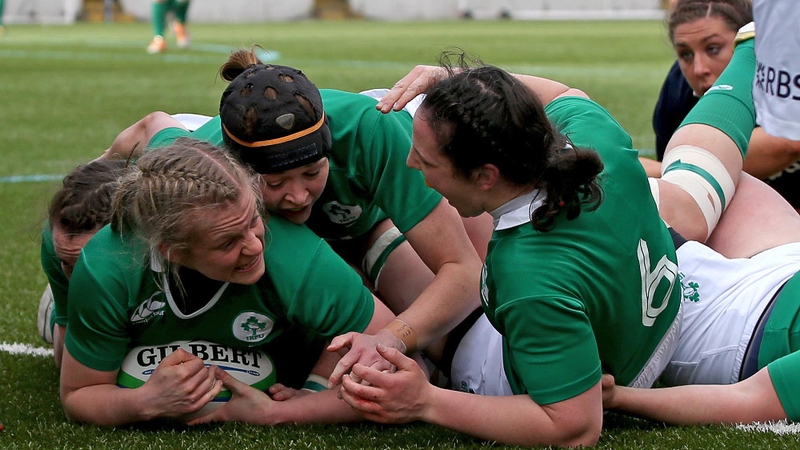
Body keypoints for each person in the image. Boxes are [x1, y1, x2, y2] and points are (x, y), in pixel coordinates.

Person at [98, 48, 487, 383]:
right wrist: (97, 180)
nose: (299, 195)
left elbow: (462, 269)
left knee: (454, 344)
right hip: (274, 238)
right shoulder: (201, 167)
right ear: (237, 171)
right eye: (276, 181)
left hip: (368, 229)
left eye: (312, 172)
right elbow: (153, 125)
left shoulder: (372, 129)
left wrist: (392, 337)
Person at [59, 137, 397, 426]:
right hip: (105, 293)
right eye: (227, 242)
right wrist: (143, 402)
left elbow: (398, 362)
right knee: (62, 351)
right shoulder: (107, 267)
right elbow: (79, 394)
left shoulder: (296, 258)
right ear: (172, 251)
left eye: (254, 220)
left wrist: (294, 406)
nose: (254, 245)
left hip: (294, 342)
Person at [647, 0, 800, 211]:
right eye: (685, 54)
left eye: (713, 48)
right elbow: (683, 198)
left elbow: (788, 141)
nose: (699, 69)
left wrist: (672, 170)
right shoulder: (676, 96)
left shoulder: (786, 69)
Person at [39, 159, 129, 369]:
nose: (77, 276)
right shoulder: (56, 243)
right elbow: (69, 371)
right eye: (67, 264)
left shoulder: (168, 242)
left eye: (85, 264)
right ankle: (53, 303)